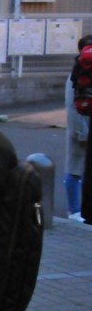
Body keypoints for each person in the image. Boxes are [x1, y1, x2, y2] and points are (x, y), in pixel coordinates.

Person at [66, 35, 92, 220]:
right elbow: (71, 105)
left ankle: (77, 210)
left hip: (82, 127)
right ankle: (74, 210)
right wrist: (80, 131)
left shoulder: (78, 71)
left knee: (78, 170)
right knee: (75, 170)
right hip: (81, 129)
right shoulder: (78, 73)